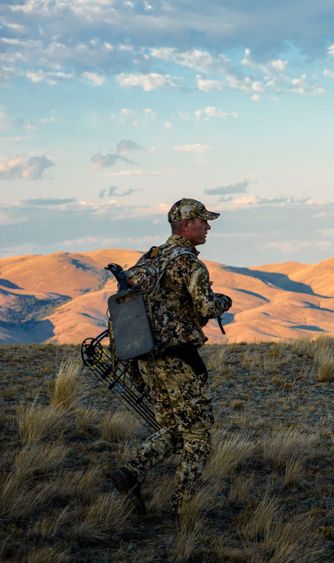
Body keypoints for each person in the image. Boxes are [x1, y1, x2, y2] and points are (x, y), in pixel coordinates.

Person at [110, 198, 232, 519]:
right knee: (198, 433)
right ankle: (183, 507)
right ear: (185, 224)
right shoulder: (190, 264)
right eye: (202, 221)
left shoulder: (153, 257)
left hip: (147, 357)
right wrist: (224, 301)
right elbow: (206, 308)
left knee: (173, 428)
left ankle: (131, 472)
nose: (208, 227)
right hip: (178, 358)